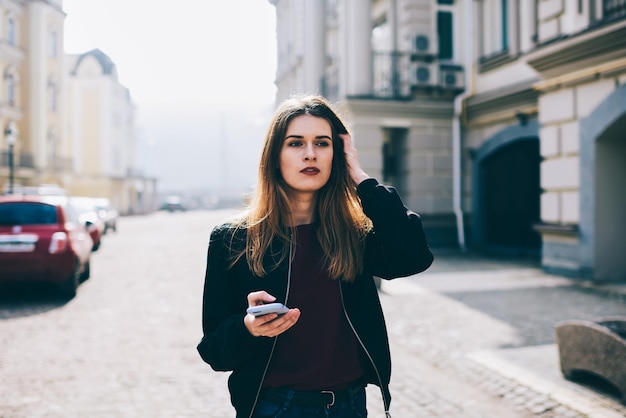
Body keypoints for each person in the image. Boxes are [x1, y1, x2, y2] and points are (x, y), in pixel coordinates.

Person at [197, 94, 434, 418]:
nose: (310, 154)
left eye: (322, 143)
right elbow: (213, 351)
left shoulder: (355, 234)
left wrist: (361, 180)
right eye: (296, 143)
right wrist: (249, 328)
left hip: (350, 405)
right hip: (274, 407)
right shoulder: (233, 239)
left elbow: (415, 256)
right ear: (275, 156)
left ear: (337, 154)